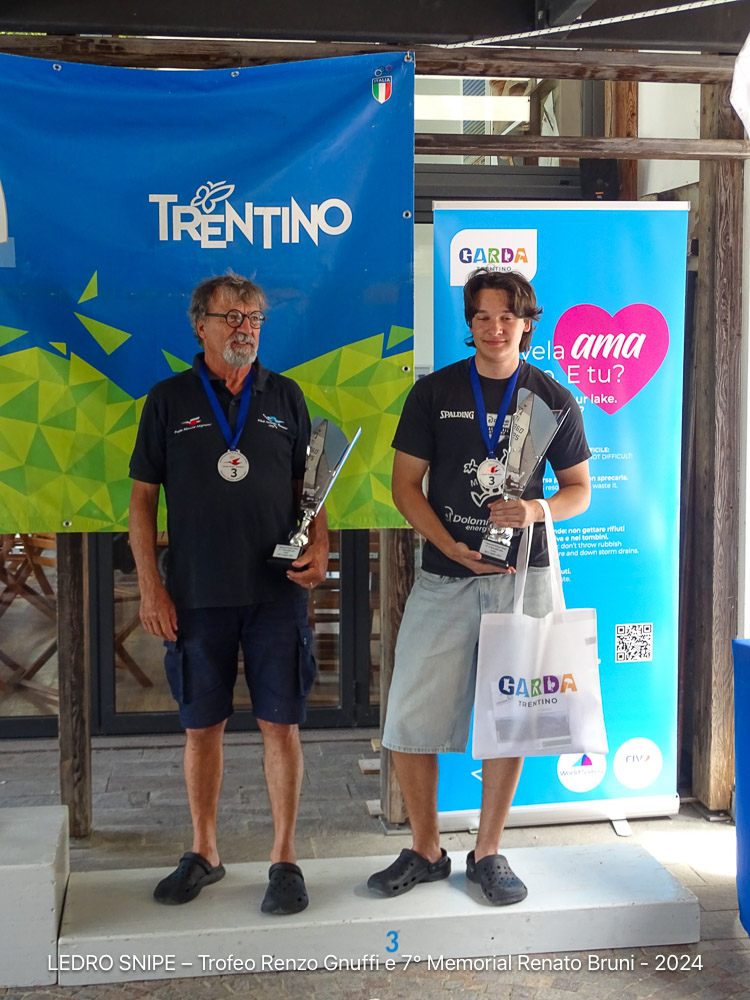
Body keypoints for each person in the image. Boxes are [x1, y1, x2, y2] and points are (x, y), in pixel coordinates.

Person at [368, 268, 591, 905]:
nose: (495, 328)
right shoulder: (434, 392)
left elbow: (579, 490)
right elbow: (404, 485)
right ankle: (425, 849)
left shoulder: (552, 398)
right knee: (409, 714)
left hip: (523, 579)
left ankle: (488, 851)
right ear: (469, 324)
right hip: (447, 577)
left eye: (507, 317)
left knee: (512, 716)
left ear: (527, 324)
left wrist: (537, 509)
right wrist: (449, 546)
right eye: (482, 317)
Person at [128, 272, 328, 915]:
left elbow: (310, 488)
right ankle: (204, 851)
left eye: (255, 317)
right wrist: (150, 586)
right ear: (200, 325)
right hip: (196, 594)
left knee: (281, 725)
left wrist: (320, 545)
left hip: (277, 594)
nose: (245, 327)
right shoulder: (167, 399)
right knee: (201, 727)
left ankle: (284, 858)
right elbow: (141, 502)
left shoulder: (285, 396)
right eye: (231, 316)